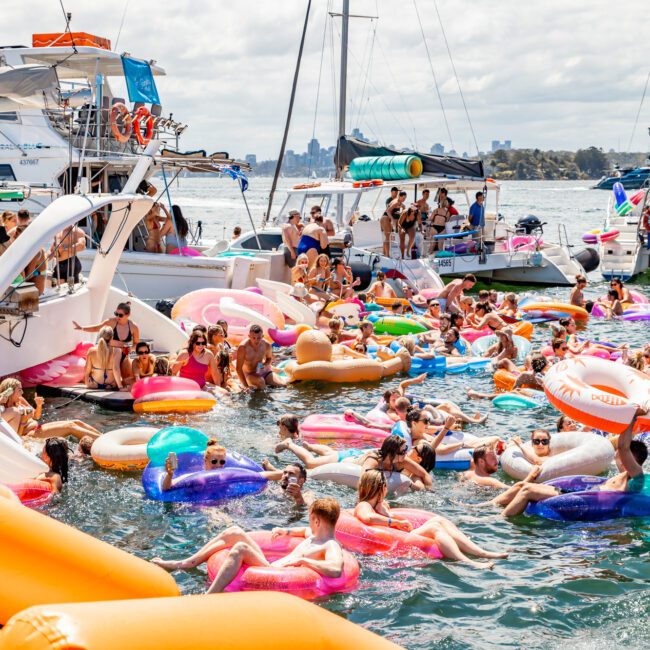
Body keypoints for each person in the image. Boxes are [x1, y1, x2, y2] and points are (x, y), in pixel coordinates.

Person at [152, 497, 344, 595]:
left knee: (240, 549)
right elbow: (303, 531)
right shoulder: (314, 534)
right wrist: (286, 531)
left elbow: (335, 570)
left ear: (316, 520)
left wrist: (304, 560)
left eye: (310, 519)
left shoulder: (330, 545)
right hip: (271, 566)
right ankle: (188, 562)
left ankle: (210, 596)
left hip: (272, 573)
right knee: (234, 531)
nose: (309, 523)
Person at [499, 410, 647, 517]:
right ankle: (492, 505)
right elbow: (622, 446)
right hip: (582, 493)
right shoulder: (622, 475)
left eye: (623, 453)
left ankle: (501, 520)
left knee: (527, 491)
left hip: (586, 502)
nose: (618, 453)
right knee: (522, 485)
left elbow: (623, 446)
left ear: (632, 457)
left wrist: (631, 417)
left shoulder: (637, 476)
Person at [354, 470, 506, 569]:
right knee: (435, 528)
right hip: (396, 540)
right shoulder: (364, 505)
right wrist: (396, 522)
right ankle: (469, 562)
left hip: (402, 534)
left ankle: (482, 553)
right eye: (385, 485)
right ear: (379, 487)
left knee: (439, 520)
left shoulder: (381, 504)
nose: (387, 488)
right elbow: (367, 518)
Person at [0, 378, 101, 440]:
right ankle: (101, 442)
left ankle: (103, 437)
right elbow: (15, 434)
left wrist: (38, 405)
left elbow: (36, 416)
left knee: (76, 422)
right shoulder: (7, 410)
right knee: (70, 427)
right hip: (30, 435)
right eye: (19, 390)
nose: (22, 392)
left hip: (37, 428)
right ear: (10, 392)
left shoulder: (20, 400)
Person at [73, 302, 139, 390]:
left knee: (130, 369)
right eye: (116, 314)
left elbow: (136, 343)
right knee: (109, 372)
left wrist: (131, 350)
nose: (117, 317)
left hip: (125, 354)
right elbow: (97, 328)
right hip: (111, 353)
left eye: (120, 315)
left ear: (128, 315)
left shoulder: (134, 327)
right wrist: (82, 328)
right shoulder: (111, 322)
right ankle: (115, 384)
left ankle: (124, 383)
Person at [236, 324, 285, 389]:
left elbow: (269, 358)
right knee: (261, 383)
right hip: (250, 374)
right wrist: (246, 386)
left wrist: (265, 365)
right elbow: (238, 368)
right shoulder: (243, 347)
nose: (256, 340)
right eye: (253, 338)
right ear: (249, 336)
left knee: (282, 385)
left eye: (259, 338)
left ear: (262, 336)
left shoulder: (266, 345)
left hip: (263, 371)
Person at [13, 225, 47, 294]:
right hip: (31, 286)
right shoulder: (31, 248)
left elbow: (28, 275)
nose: (14, 238)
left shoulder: (35, 251)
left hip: (36, 289)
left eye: (17, 236)